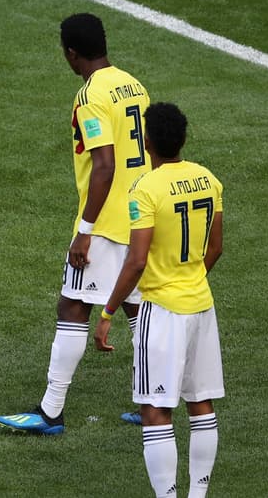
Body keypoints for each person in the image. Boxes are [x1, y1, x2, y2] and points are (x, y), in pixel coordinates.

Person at [0, 12, 150, 433]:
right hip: (141, 218)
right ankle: (151, 402)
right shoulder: (134, 84)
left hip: (106, 223)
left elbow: (104, 166)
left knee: (73, 305)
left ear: (71, 53)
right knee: (137, 309)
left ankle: (50, 411)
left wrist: (84, 232)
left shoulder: (90, 97)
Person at [94, 103, 223, 497]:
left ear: (147, 142)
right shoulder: (208, 180)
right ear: (182, 139)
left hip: (162, 311)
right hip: (201, 305)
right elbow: (215, 248)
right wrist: (189, 277)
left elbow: (135, 261)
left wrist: (108, 311)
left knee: (155, 409)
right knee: (200, 404)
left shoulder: (145, 189)